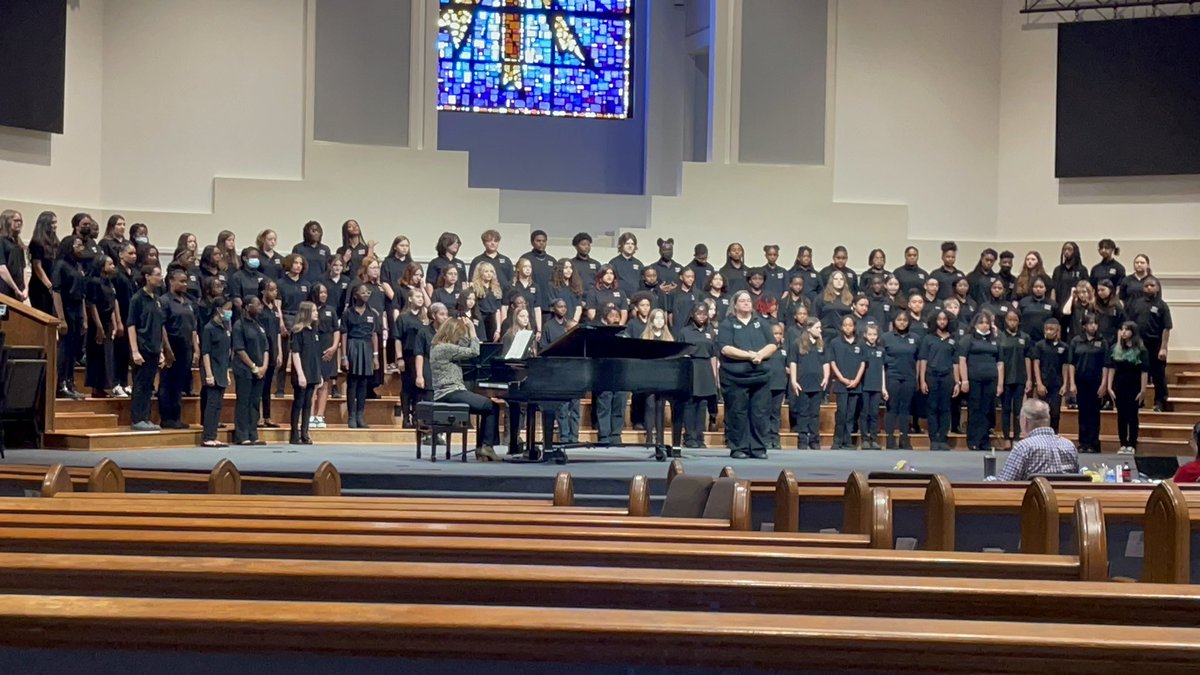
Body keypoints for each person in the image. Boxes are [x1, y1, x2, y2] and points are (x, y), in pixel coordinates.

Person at [431, 316, 502, 461]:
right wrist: (472, 330)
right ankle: (486, 447)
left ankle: (483, 447)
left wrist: (465, 330)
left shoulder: (438, 347)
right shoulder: (446, 348)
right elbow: (474, 351)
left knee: (488, 407)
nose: (461, 338)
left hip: (448, 392)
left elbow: (464, 344)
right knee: (490, 405)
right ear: (453, 333)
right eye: (459, 335)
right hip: (450, 392)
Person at [716, 290, 776, 459]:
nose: (746, 303)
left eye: (748, 300)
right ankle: (739, 448)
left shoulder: (761, 322)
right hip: (735, 378)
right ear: (735, 305)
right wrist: (749, 355)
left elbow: (772, 344)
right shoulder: (727, 324)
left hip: (760, 377)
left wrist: (760, 355)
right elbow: (725, 348)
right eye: (742, 301)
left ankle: (758, 448)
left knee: (759, 414)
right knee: (737, 413)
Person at [996, 399, 1079, 481]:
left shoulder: (1023, 447)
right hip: (1063, 490)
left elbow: (1005, 483)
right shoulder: (1069, 446)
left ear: (1025, 421)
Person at [158, 269, 199, 430]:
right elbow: (162, 326)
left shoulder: (188, 302)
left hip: (186, 347)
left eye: (186, 281)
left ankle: (176, 417)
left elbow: (193, 327)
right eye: (181, 281)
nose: (185, 284)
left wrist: (196, 349)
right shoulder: (165, 301)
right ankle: (166, 417)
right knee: (167, 382)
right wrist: (167, 348)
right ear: (171, 281)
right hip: (172, 345)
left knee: (179, 383)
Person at [127, 264, 166, 431]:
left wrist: (161, 350)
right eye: (157, 274)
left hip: (154, 348)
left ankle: (145, 417)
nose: (160, 277)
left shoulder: (157, 299)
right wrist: (135, 350)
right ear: (147, 277)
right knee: (140, 385)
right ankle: (137, 419)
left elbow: (159, 326)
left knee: (149, 385)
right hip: (142, 348)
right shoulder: (137, 299)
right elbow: (131, 325)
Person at [1124, 275, 1171, 412]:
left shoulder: (1162, 306)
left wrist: (1163, 348)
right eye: (1146, 286)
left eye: (1152, 285)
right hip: (1138, 344)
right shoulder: (1136, 304)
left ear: (1157, 288)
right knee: (1137, 374)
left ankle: (1160, 402)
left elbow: (1167, 328)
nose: (1149, 288)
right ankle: (1138, 402)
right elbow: (1130, 325)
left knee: (1158, 375)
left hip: (1155, 344)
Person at [958, 312, 1003, 452]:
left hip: (991, 379)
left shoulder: (995, 340)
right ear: (975, 324)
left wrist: (1000, 383)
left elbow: (1000, 363)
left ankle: (984, 441)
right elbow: (962, 360)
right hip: (974, 379)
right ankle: (973, 440)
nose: (984, 325)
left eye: (987, 322)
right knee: (975, 409)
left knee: (987, 410)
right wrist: (964, 380)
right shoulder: (968, 339)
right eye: (981, 322)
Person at [52, 235, 89, 400]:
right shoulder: (61, 265)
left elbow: (82, 295)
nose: (82, 248)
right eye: (78, 245)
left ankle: (70, 381)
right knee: (65, 349)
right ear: (69, 247)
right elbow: (56, 292)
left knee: (74, 349)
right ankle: (61, 384)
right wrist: (61, 318)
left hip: (77, 310)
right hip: (66, 309)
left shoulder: (79, 266)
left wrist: (84, 318)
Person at [1105, 321, 1149, 456]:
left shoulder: (1141, 350)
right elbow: (1112, 368)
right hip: (1119, 386)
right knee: (1121, 416)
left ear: (1133, 332)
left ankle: (1132, 444)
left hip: (1134, 387)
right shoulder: (1115, 348)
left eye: (1127, 329)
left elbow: (1144, 371)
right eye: (1122, 329)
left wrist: (1143, 390)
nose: (1123, 332)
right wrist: (1109, 387)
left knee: (1132, 416)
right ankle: (1123, 443)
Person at [342, 283, 382, 429]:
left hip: (367, 347)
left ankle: (360, 415)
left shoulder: (372, 314)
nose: (366, 294)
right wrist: (344, 356)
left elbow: (374, 335)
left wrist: (376, 356)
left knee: (364, 383)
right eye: (363, 292)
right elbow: (344, 334)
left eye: (368, 292)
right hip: (353, 345)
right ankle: (351, 416)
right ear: (355, 295)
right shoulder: (348, 313)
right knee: (352, 382)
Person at [679, 303, 718, 448]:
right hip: (691, 366)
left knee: (702, 404)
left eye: (704, 314)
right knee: (690, 403)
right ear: (692, 315)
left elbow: (714, 355)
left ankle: (699, 437)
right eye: (699, 313)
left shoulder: (710, 332)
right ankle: (689, 436)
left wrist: (715, 376)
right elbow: (680, 353)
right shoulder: (684, 331)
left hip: (706, 368)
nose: (702, 316)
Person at [919, 310, 958, 451]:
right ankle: (934, 439)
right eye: (939, 319)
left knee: (945, 408)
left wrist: (957, 381)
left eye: (944, 319)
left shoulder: (953, 339)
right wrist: (922, 380)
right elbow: (923, 360)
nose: (942, 322)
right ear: (935, 321)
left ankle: (943, 438)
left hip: (947, 376)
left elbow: (956, 362)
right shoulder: (928, 338)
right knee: (932, 407)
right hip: (932, 375)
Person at [1068, 313, 1107, 454]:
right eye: (1090, 323)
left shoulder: (1102, 341)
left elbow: (1106, 364)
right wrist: (1072, 383)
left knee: (1094, 413)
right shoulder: (1076, 341)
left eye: (1095, 323)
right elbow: (1071, 363)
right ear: (1084, 326)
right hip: (1081, 381)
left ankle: (1093, 443)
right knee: (1083, 412)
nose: (1093, 326)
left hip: (1096, 381)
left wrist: (1104, 384)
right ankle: (1083, 442)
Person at [232, 296, 268, 445]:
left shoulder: (259, 325)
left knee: (255, 402)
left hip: (260, 370)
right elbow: (239, 349)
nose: (260, 307)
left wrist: (264, 366)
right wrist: (253, 367)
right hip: (244, 369)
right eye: (257, 304)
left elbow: (266, 348)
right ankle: (242, 435)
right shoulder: (239, 325)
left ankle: (253, 434)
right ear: (247, 307)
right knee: (244, 402)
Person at [788, 317, 828, 450]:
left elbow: (825, 362)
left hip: (817, 383)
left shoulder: (821, 344)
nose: (820, 330)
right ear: (809, 328)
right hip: (803, 383)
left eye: (820, 327)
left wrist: (826, 377)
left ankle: (814, 439)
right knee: (803, 412)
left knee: (815, 413)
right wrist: (793, 380)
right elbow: (793, 362)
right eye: (817, 327)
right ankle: (802, 439)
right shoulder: (797, 344)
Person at [84, 256, 121, 399]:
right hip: (97, 322)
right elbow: (92, 305)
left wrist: (115, 324)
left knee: (107, 355)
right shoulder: (94, 282)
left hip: (107, 322)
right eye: (110, 264)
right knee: (97, 355)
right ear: (101, 265)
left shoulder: (109, 282)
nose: (113, 266)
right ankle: (96, 387)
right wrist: (99, 327)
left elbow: (112, 303)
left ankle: (103, 386)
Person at [881, 311, 918, 449]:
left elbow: (918, 360)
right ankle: (890, 439)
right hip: (892, 376)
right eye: (899, 319)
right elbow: (881, 362)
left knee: (905, 408)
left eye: (905, 320)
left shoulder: (915, 338)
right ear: (894, 321)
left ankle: (904, 438)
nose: (902, 322)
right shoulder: (886, 337)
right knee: (892, 407)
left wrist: (918, 379)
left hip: (909, 377)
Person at [828, 315, 865, 449]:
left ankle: (847, 441)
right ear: (841, 327)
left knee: (851, 414)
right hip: (841, 383)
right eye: (845, 325)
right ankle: (837, 441)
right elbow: (832, 362)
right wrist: (842, 378)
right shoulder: (835, 342)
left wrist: (856, 380)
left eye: (850, 325)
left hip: (855, 383)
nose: (848, 328)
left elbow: (863, 363)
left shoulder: (860, 343)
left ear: (854, 326)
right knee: (841, 413)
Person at [289, 301, 323, 445]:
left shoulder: (314, 330)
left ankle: (305, 432)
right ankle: (294, 434)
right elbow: (295, 353)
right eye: (314, 311)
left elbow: (315, 355)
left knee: (308, 403)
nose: (316, 313)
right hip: (302, 372)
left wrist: (319, 374)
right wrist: (300, 374)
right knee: (299, 402)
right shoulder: (298, 331)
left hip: (313, 371)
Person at [996, 310, 1032, 444]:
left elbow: (1027, 358)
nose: (1012, 322)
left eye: (1015, 320)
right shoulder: (1000, 337)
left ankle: (1017, 437)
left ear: (1019, 321)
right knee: (1006, 409)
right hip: (1005, 378)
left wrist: (1029, 379)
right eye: (1010, 319)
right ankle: (1006, 437)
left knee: (1018, 410)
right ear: (1005, 320)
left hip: (1020, 377)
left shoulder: (1025, 337)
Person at [199, 301, 232, 448]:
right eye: (227, 309)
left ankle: (214, 435)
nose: (229, 312)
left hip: (222, 370)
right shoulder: (209, 328)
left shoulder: (225, 327)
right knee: (212, 405)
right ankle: (207, 437)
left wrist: (227, 372)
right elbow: (205, 352)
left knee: (218, 405)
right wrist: (209, 374)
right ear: (219, 310)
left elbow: (227, 352)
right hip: (212, 370)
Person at [395, 289, 429, 428]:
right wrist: (399, 358)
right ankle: (406, 417)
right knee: (407, 387)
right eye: (417, 296)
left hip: (422, 356)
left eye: (422, 297)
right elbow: (397, 338)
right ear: (410, 299)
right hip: (408, 355)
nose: (421, 299)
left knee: (419, 387)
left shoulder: (425, 318)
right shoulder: (403, 317)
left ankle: (417, 416)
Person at [1031, 318, 1068, 433]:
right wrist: (1039, 383)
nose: (1048, 331)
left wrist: (1065, 384)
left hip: (1057, 384)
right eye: (1046, 329)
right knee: (1042, 413)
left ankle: (1054, 435)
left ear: (1057, 331)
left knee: (1055, 412)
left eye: (1051, 329)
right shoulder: (1039, 345)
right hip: (1043, 383)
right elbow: (1036, 364)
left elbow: (1065, 366)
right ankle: (1041, 435)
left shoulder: (1063, 347)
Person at [257, 280, 285, 429]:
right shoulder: (259, 309)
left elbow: (278, 332)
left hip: (273, 350)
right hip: (262, 351)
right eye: (272, 290)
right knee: (259, 386)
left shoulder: (274, 308)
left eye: (276, 290)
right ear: (263, 291)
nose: (275, 292)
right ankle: (258, 417)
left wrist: (279, 351)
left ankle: (267, 416)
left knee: (268, 386)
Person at [27, 211, 59, 315]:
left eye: (56, 222)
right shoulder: (37, 242)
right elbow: (37, 267)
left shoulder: (55, 241)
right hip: (40, 287)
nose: (55, 225)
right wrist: (49, 285)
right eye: (52, 223)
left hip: (52, 286)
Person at [814, 270, 853, 345]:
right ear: (831, 281)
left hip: (844, 334)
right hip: (827, 334)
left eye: (841, 279)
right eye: (836, 279)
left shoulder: (850, 297)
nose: (839, 281)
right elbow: (815, 315)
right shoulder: (822, 297)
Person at [0, 210, 27, 302]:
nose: (19, 223)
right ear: (6, 221)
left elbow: (23, 268)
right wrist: (15, 289)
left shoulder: (17, 242)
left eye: (20, 221)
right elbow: (2, 268)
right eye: (16, 220)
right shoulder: (1, 241)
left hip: (18, 291)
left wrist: (25, 288)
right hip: (4, 290)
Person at [1050, 241, 1086, 308]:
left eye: (1069, 249)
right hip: (1059, 305)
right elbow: (1053, 289)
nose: (1066, 252)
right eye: (1064, 249)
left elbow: (1086, 289)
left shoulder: (1082, 270)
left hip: (1077, 306)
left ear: (1075, 251)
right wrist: (1053, 304)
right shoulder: (1058, 270)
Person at [609, 232, 644, 298]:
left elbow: (642, 284)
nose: (630, 246)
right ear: (621, 245)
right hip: (619, 299)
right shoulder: (613, 263)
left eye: (632, 244)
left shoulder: (639, 264)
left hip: (636, 299)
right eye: (627, 243)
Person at [524, 229, 557, 295]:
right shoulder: (526, 259)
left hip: (549, 296)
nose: (541, 243)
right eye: (538, 241)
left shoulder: (552, 260)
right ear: (532, 242)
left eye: (544, 241)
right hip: (531, 295)